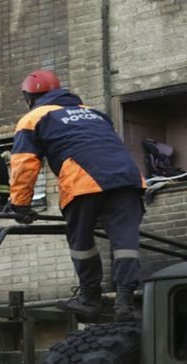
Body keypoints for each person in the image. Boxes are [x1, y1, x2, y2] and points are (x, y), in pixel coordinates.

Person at [9, 70, 145, 322]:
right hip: (128, 179)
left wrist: (20, 205)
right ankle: (125, 302)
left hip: (84, 180)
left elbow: (24, 164)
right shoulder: (95, 113)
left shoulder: (34, 117)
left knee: (81, 241)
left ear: (30, 97)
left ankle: (90, 299)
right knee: (126, 242)